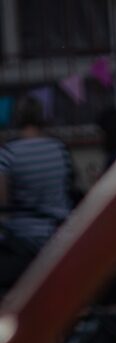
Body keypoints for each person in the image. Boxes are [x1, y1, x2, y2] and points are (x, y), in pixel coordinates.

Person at [0, 96, 76, 295]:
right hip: (59, 233)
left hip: (24, 238)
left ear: (16, 118)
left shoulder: (9, 153)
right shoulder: (59, 149)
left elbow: (2, 200)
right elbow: (68, 186)